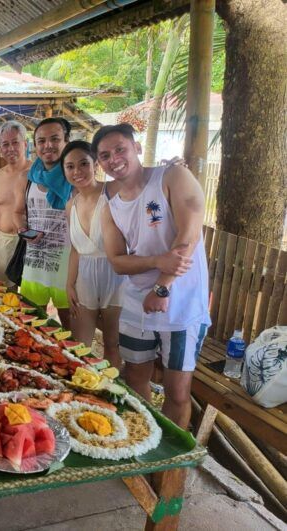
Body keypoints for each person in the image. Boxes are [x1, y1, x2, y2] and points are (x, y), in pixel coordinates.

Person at [96, 123, 210, 428]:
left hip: (181, 305)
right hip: (136, 303)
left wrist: (162, 287)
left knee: (177, 390)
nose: (114, 158)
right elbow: (117, 261)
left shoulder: (172, 177)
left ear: (136, 147)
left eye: (120, 148)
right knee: (135, 376)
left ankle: (170, 464)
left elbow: (189, 236)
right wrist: (158, 260)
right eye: (105, 155)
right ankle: (144, 437)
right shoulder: (111, 205)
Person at [62, 141, 123, 368]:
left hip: (116, 277)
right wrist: (69, 284)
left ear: (95, 164)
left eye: (83, 164)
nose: (77, 172)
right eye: (69, 167)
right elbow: (76, 249)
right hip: (84, 278)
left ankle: (114, 396)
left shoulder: (113, 192)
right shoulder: (71, 205)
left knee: (112, 344)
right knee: (79, 346)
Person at [14, 117, 73, 328]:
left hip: (68, 267)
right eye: (41, 141)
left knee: (71, 329)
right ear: (35, 145)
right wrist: (23, 230)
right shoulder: (27, 178)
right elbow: (18, 212)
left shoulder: (76, 176)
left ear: (66, 140)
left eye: (55, 139)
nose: (48, 145)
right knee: (31, 327)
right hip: (34, 266)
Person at [0, 121, 31, 287]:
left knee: (30, 298)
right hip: (3, 241)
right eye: (5, 144)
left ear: (25, 144)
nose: (10, 148)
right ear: (0, 148)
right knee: (1, 294)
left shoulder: (36, 172)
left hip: (29, 242)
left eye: (15, 142)